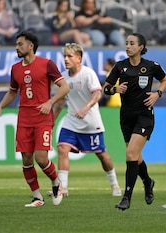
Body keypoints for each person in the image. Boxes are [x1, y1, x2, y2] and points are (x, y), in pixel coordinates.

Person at [0, 31, 69, 207]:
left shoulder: (47, 64)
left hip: (42, 118)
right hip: (24, 119)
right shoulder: (15, 68)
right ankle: (37, 197)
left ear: (30, 46)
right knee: (26, 159)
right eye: (16, 44)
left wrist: (50, 102)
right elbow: (12, 91)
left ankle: (56, 183)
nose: (17, 47)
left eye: (20, 44)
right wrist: (0, 106)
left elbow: (64, 87)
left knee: (41, 159)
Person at [103, 33, 166, 210]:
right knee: (136, 157)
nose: (127, 46)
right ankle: (148, 182)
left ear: (141, 47)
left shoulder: (151, 66)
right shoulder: (120, 67)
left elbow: (165, 81)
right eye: (126, 43)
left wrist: (157, 94)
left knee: (131, 155)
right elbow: (106, 88)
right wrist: (115, 89)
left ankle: (126, 197)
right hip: (126, 117)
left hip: (144, 116)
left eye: (132, 43)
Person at [49, 43, 122, 197]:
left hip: (90, 122)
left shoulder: (88, 74)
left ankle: (115, 184)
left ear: (79, 58)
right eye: (65, 56)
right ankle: (63, 188)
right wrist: (51, 122)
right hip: (71, 120)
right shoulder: (63, 77)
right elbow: (60, 102)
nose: (66, 59)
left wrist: (86, 108)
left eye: (70, 56)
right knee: (62, 148)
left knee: (102, 154)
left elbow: (97, 94)